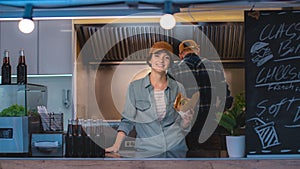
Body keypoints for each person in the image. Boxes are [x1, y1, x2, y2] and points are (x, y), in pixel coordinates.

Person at [105, 41, 194, 157]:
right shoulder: (135, 88)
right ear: (150, 60)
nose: (161, 61)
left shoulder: (178, 87)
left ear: (170, 63)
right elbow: (127, 121)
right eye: (157, 56)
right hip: (146, 152)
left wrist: (186, 122)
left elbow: (181, 123)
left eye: (166, 57)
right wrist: (116, 146)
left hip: (176, 151)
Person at [169, 40, 233, 151]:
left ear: (180, 55)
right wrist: (217, 113)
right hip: (210, 127)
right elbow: (226, 99)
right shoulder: (215, 67)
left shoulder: (173, 70)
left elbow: (170, 102)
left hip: (186, 130)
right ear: (198, 50)